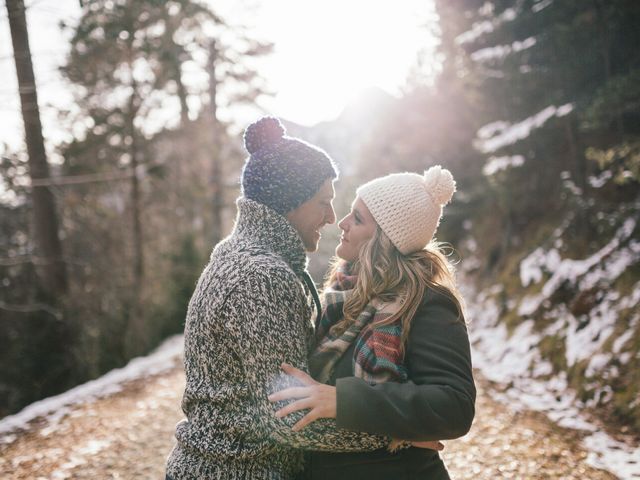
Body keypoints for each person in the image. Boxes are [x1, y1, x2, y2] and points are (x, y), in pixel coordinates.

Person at [165, 117, 393, 480]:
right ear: (291, 202)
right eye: (323, 202)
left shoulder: (240, 253)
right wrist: (395, 436)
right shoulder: (263, 278)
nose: (332, 217)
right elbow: (287, 417)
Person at [269, 167, 476, 479]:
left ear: (385, 239)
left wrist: (343, 399)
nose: (342, 223)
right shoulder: (341, 296)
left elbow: (454, 405)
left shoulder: (427, 302)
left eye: (358, 218)